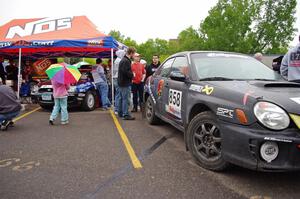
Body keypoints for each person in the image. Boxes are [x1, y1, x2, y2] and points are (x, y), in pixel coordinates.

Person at [118, 47, 136, 120]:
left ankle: (121, 112)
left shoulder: (123, 60)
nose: (134, 55)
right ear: (131, 53)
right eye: (134, 53)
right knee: (126, 99)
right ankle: (126, 114)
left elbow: (124, 71)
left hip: (122, 82)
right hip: (125, 83)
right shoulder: (126, 61)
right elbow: (125, 72)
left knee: (121, 98)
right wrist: (132, 75)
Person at [113, 49, 125, 114]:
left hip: (115, 78)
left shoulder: (117, 60)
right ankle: (117, 109)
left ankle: (117, 108)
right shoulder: (119, 60)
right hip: (118, 78)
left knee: (118, 94)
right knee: (119, 95)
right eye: (123, 53)